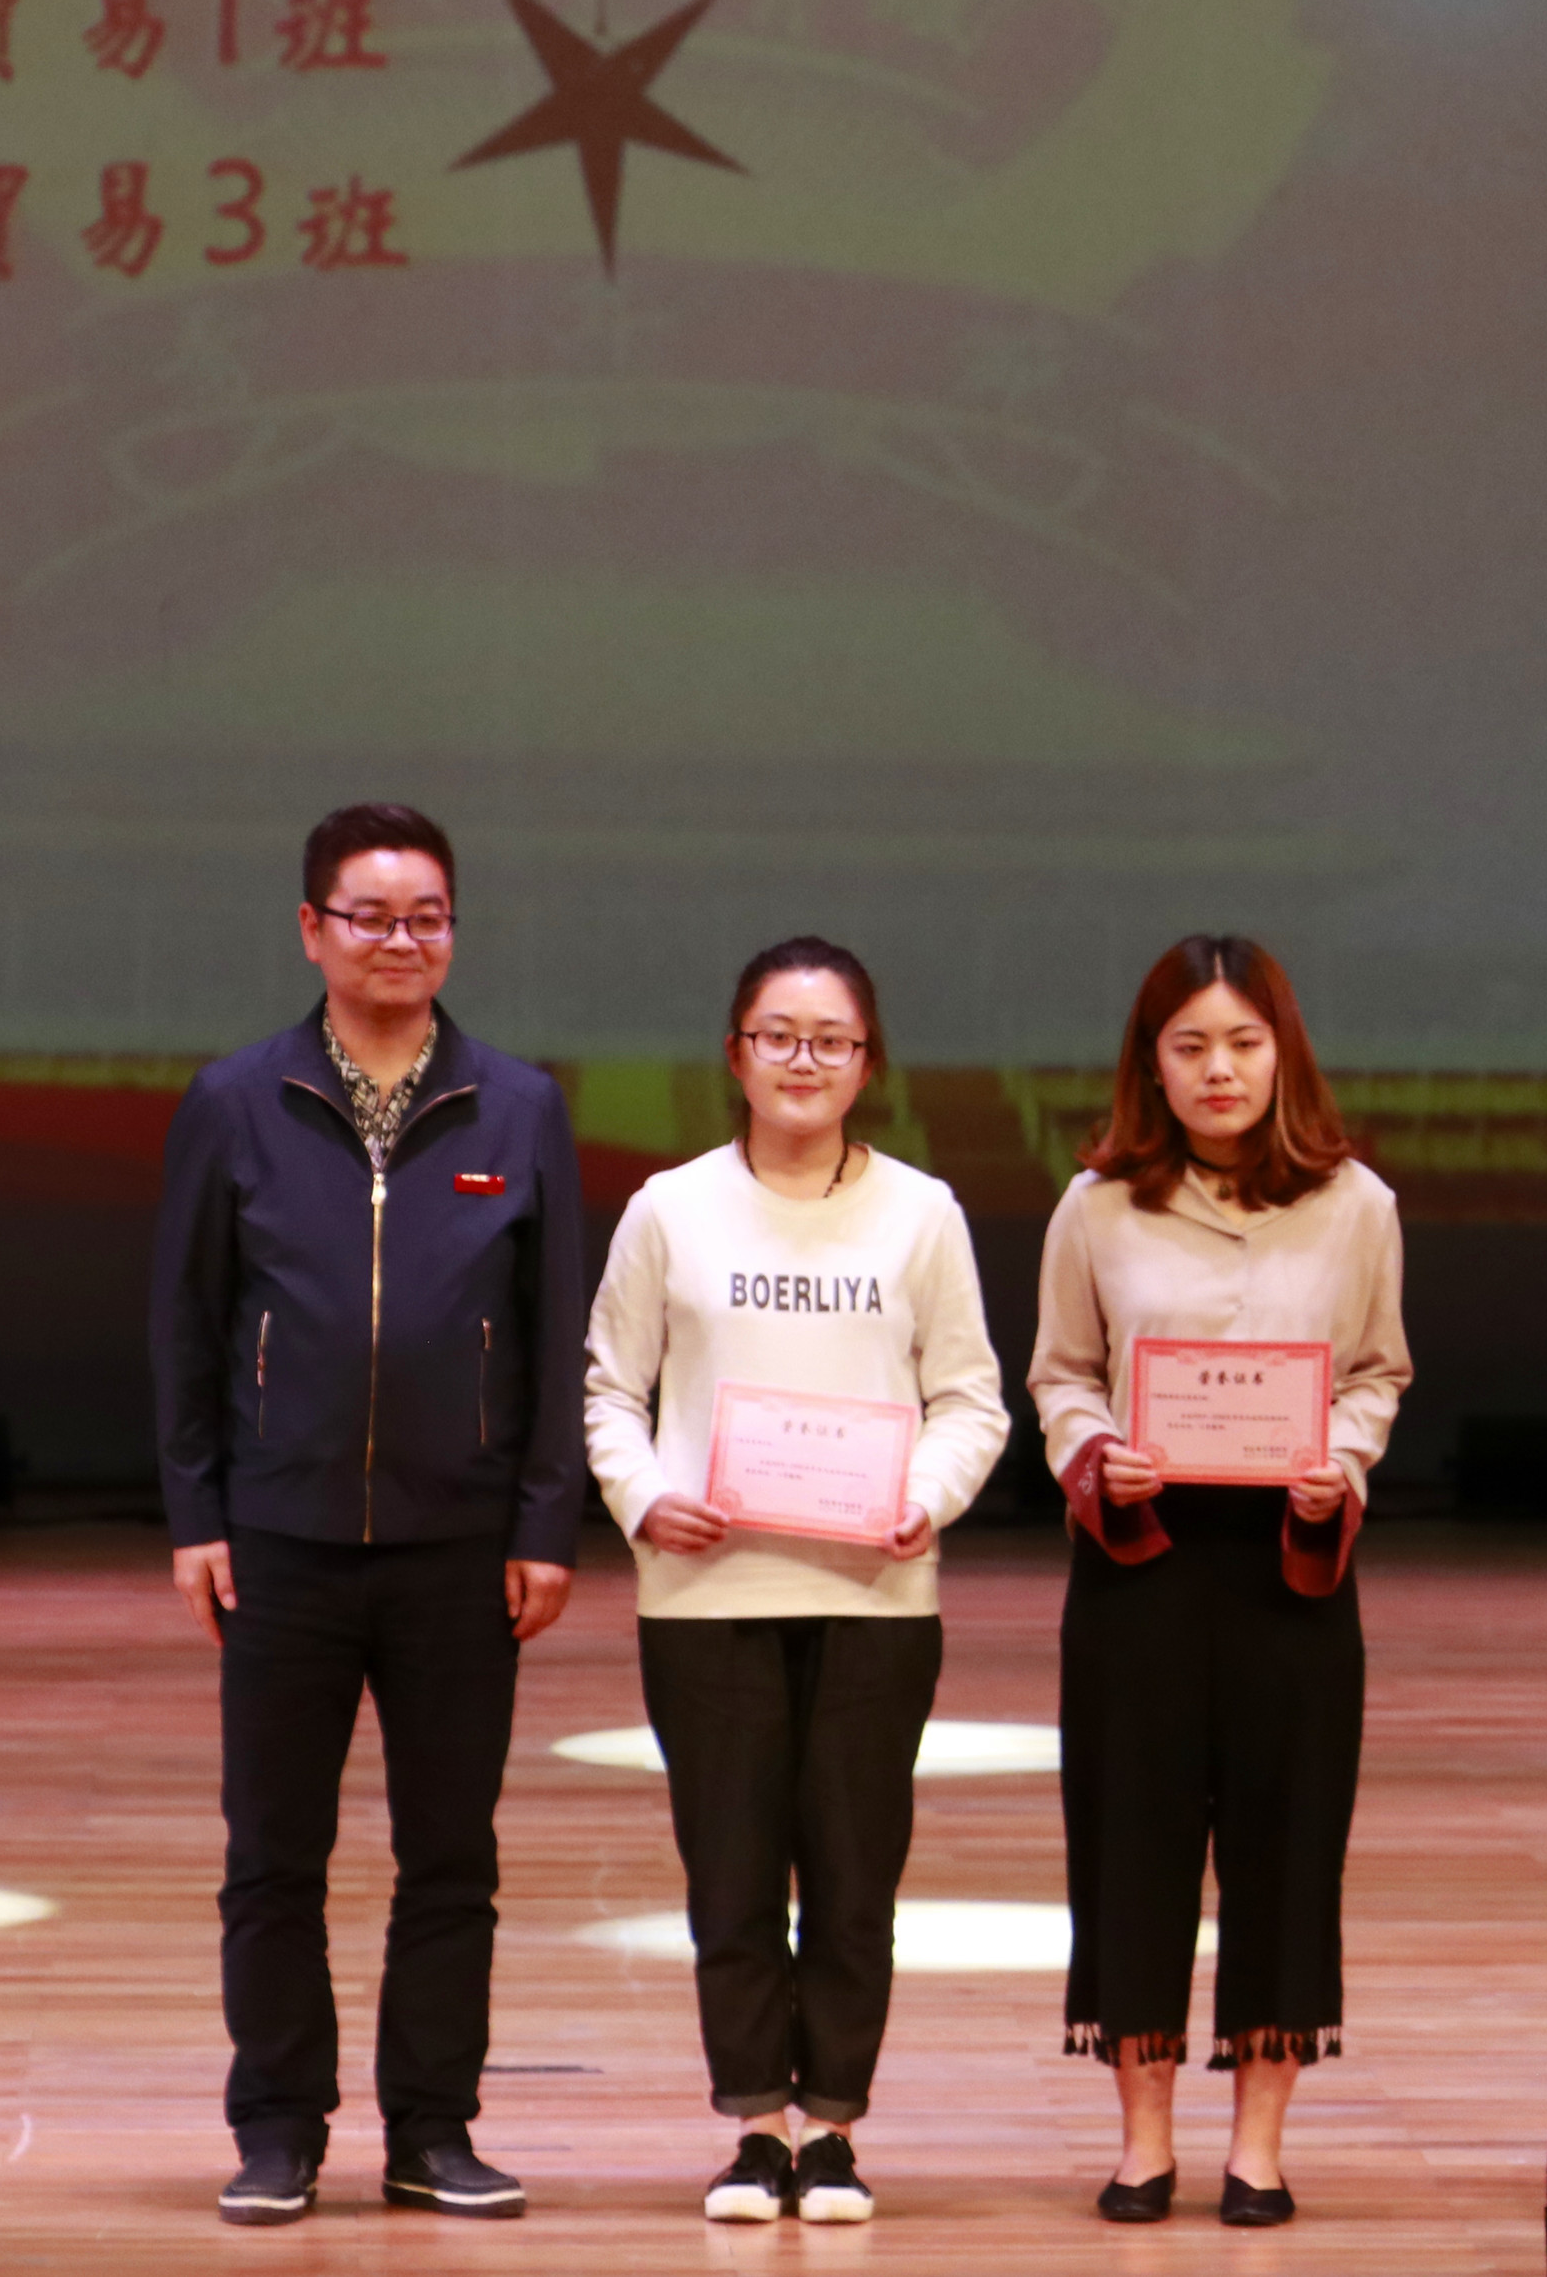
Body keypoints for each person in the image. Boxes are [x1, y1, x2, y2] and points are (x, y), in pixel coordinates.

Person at [148, 802, 587, 2225]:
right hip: (279, 1542)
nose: (402, 939)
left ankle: (432, 2127)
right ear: (312, 928)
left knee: (450, 1854)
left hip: (462, 1549)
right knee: (273, 1854)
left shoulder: (517, 1104)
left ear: (453, 929)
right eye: (372, 915)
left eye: (427, 916)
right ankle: (278, 2126)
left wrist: (544, 1523)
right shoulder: (238, 1098)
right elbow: (188, 1321)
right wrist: (197, 1510)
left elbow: (554, 1329)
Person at [581, 938, 1012, 2223]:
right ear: (736, 1054)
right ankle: (754, 2127)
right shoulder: (670, 1207)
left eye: (831, 1039)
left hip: (873, 1595)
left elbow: (970, 1398)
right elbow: (610, 1387)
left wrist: (922, 1496)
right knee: (729, 1877)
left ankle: (833, 2128)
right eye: (778, 1035)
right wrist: (645, 1495)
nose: (803, 1059)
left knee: (852, 1877)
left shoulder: (921, 1211)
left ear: (868, 1062)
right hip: (706, 1594)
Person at [1028, 935, 1406, 2227]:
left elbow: (1377, 1372)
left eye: (1244, 1041)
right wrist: (1095, 1453)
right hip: (1141, 1559)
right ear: (1153, 1065)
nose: (1219, 1068)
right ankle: (1144, 2140)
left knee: (1286, 1846)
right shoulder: (1096, 1205)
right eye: (1189, 1045)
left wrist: (1341, 1459)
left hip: (1292, 1566)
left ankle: (1258, 2143)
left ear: (1282, 1052)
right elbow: (1061, 1371)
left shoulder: (1357, 1203)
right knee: (1130, 1839)